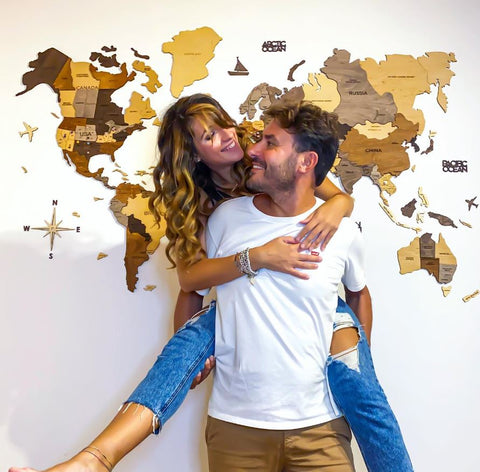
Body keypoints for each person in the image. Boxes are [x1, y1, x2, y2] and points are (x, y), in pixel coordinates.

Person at [9, 94, 364, 472]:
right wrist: (191, 354)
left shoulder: (260, 156)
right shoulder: (208, 208)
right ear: (193, 155)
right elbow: (190, 281)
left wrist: (338, 207)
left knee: (362, 384)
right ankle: (93, 461)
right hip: (236, 303)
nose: (229, 138)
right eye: (208, 136)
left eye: (223, 124)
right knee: (189, 342)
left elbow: (329, 191)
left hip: (309, 299)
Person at [202, 101, 413, 470]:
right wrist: (192, 364)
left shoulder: (342, 232)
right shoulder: (226, 220)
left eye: (270, 143)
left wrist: (356, 361)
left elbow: (359, 293)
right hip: (235, 427)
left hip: (322, 426)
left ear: (305, 162)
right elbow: (193, 286)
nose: (252, 150)